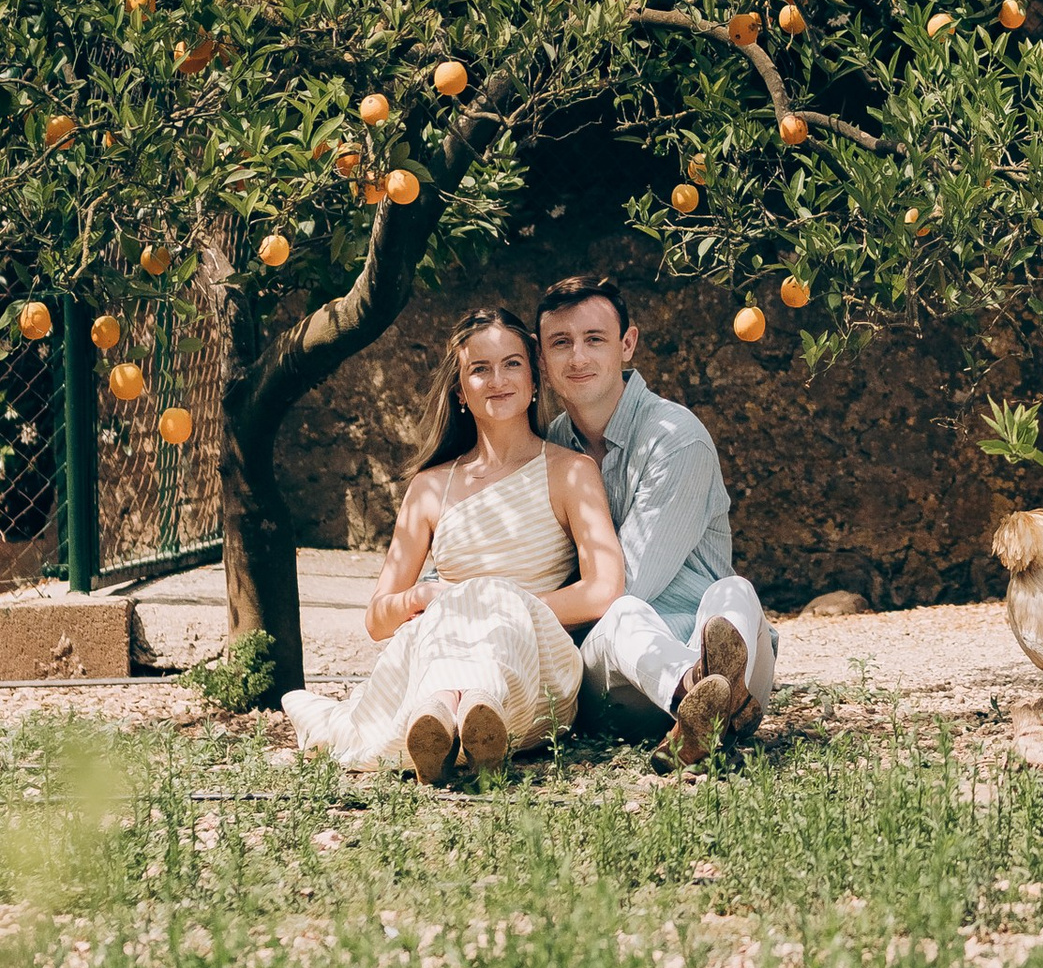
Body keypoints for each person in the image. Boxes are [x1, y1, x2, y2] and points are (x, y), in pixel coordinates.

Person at [283, 305, 624, 780]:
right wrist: (423, 596)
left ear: (534, 380)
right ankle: (444, 720)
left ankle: (456, 712)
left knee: (485, 598)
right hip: (443, 642)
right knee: (450, 623)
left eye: (511, 364)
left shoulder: (571, 472)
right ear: (461, 391)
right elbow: (377, 620)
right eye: (479, 369)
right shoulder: (429, 487)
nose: (497, 380)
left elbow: (604, 589)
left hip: (537, 666)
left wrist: (502, 604)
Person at [536, 275, 776, 766]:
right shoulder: (550, 448)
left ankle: (712, 697)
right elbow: (615, 602)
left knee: (735, 590)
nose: (577, 357)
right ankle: (701, 695)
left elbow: (628, 581)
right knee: (625, 615)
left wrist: (513, 608)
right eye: (561, 343)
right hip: (624, 675)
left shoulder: (675, 438)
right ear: (542, 358)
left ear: (627, 345)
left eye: (594, 339)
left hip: (733, 657)